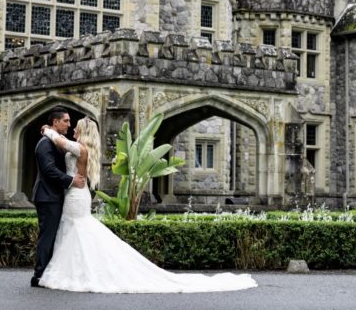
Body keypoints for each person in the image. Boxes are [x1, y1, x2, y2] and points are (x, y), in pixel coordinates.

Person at [37, 117, 258, 293]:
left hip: (76, 195)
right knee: (74, 232)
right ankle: (76, 270)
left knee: (77, 231)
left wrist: (47, 129)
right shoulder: (85, 148)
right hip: (76, 194)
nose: (72, 129)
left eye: (75, 127)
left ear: (83, 132)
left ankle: (77, 272)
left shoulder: (79, 148)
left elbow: (59, 142)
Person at [30, 107, 85, 288]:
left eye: (70, 122)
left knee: (55, 236)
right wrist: (71, 180)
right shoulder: (45, 144)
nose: (69, 125)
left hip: (57, 196)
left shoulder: (57, 141)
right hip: (47, 196)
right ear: (55, 122)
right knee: (48, 236)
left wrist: (47, 129)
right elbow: (49, 170)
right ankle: (39, 276)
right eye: (66, 121)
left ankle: (49, 273)